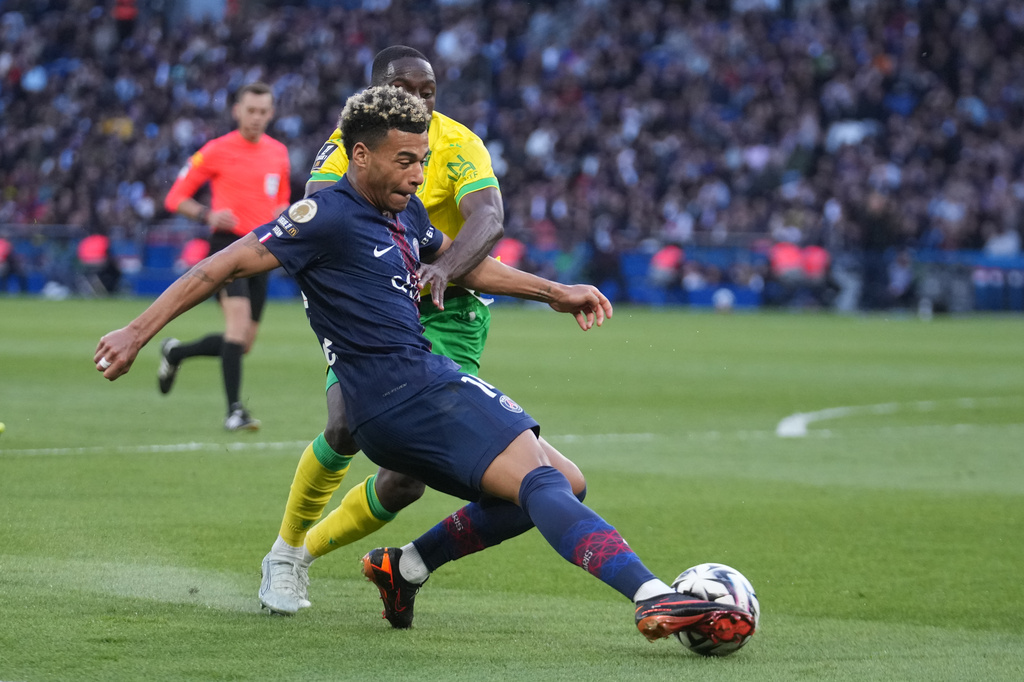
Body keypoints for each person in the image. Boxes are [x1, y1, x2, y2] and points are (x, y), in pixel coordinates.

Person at [94, 85, 755, 647]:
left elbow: (471, 263)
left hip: (407, 393)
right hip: (405, 389)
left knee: (565, 482)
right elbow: (220, 265)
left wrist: (557, 292)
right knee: (539, 480)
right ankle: (652, 596)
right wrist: (135, 331)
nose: (417, 175)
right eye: (404, 160)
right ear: (359, 155)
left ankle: (407, 566)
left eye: (423, 160)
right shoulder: (323, 216)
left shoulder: (402, 211)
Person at [260, 46, 510, 613]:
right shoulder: (354, 139)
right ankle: (284, 552)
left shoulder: (460, 142)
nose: (420, 99)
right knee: (346, 424)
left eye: (428, 90)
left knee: (405, 481)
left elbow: (488, 216)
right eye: (406, 89)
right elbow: (320, 200)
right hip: (374, 298)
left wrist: (442, 268)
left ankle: (306, 556)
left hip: (450, 308)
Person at [157, 81, 291, 431]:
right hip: (228, 246)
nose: (256, 117)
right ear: (237, 111)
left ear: (271, 113)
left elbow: (280, 201)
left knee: (242, 343)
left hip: (266, 250)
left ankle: (175, 352)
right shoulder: (216, 150)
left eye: (263, 111)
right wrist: (206, 215)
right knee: (236, 327)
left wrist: (285, 215)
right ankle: (235, 411)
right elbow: (175, 197)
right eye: (250, 110)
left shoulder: (278, 152)